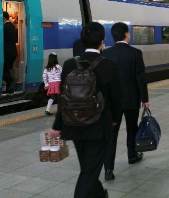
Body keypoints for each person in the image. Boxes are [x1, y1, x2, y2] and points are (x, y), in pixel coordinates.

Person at [49, 22, 122, 198]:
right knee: (89, 172)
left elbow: (63, 99)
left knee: (88, 168)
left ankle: (100, 195)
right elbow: (117, 98)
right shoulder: (109, 65)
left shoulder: (69, 65)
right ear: (102, 41)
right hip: (99, 127)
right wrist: (114, 120)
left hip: (73, 125)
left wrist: (57, 126)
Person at [102, 22, 149, 181]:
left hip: (112, 102)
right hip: (131, 99)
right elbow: (140, 78)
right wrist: (145, 99)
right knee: (132, 128)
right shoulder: (135, 53)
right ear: (127, 34)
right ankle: (132, 156)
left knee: (111, 135)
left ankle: (108, 169)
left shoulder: (106, 54)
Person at [3, 11, 18, 93]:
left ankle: (11, 82)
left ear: (3, 18)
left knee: (2, 70)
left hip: (7, 53)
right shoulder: (12, 26)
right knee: (7, 69)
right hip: (13, 52)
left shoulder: (5, 27)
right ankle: (9, 88)